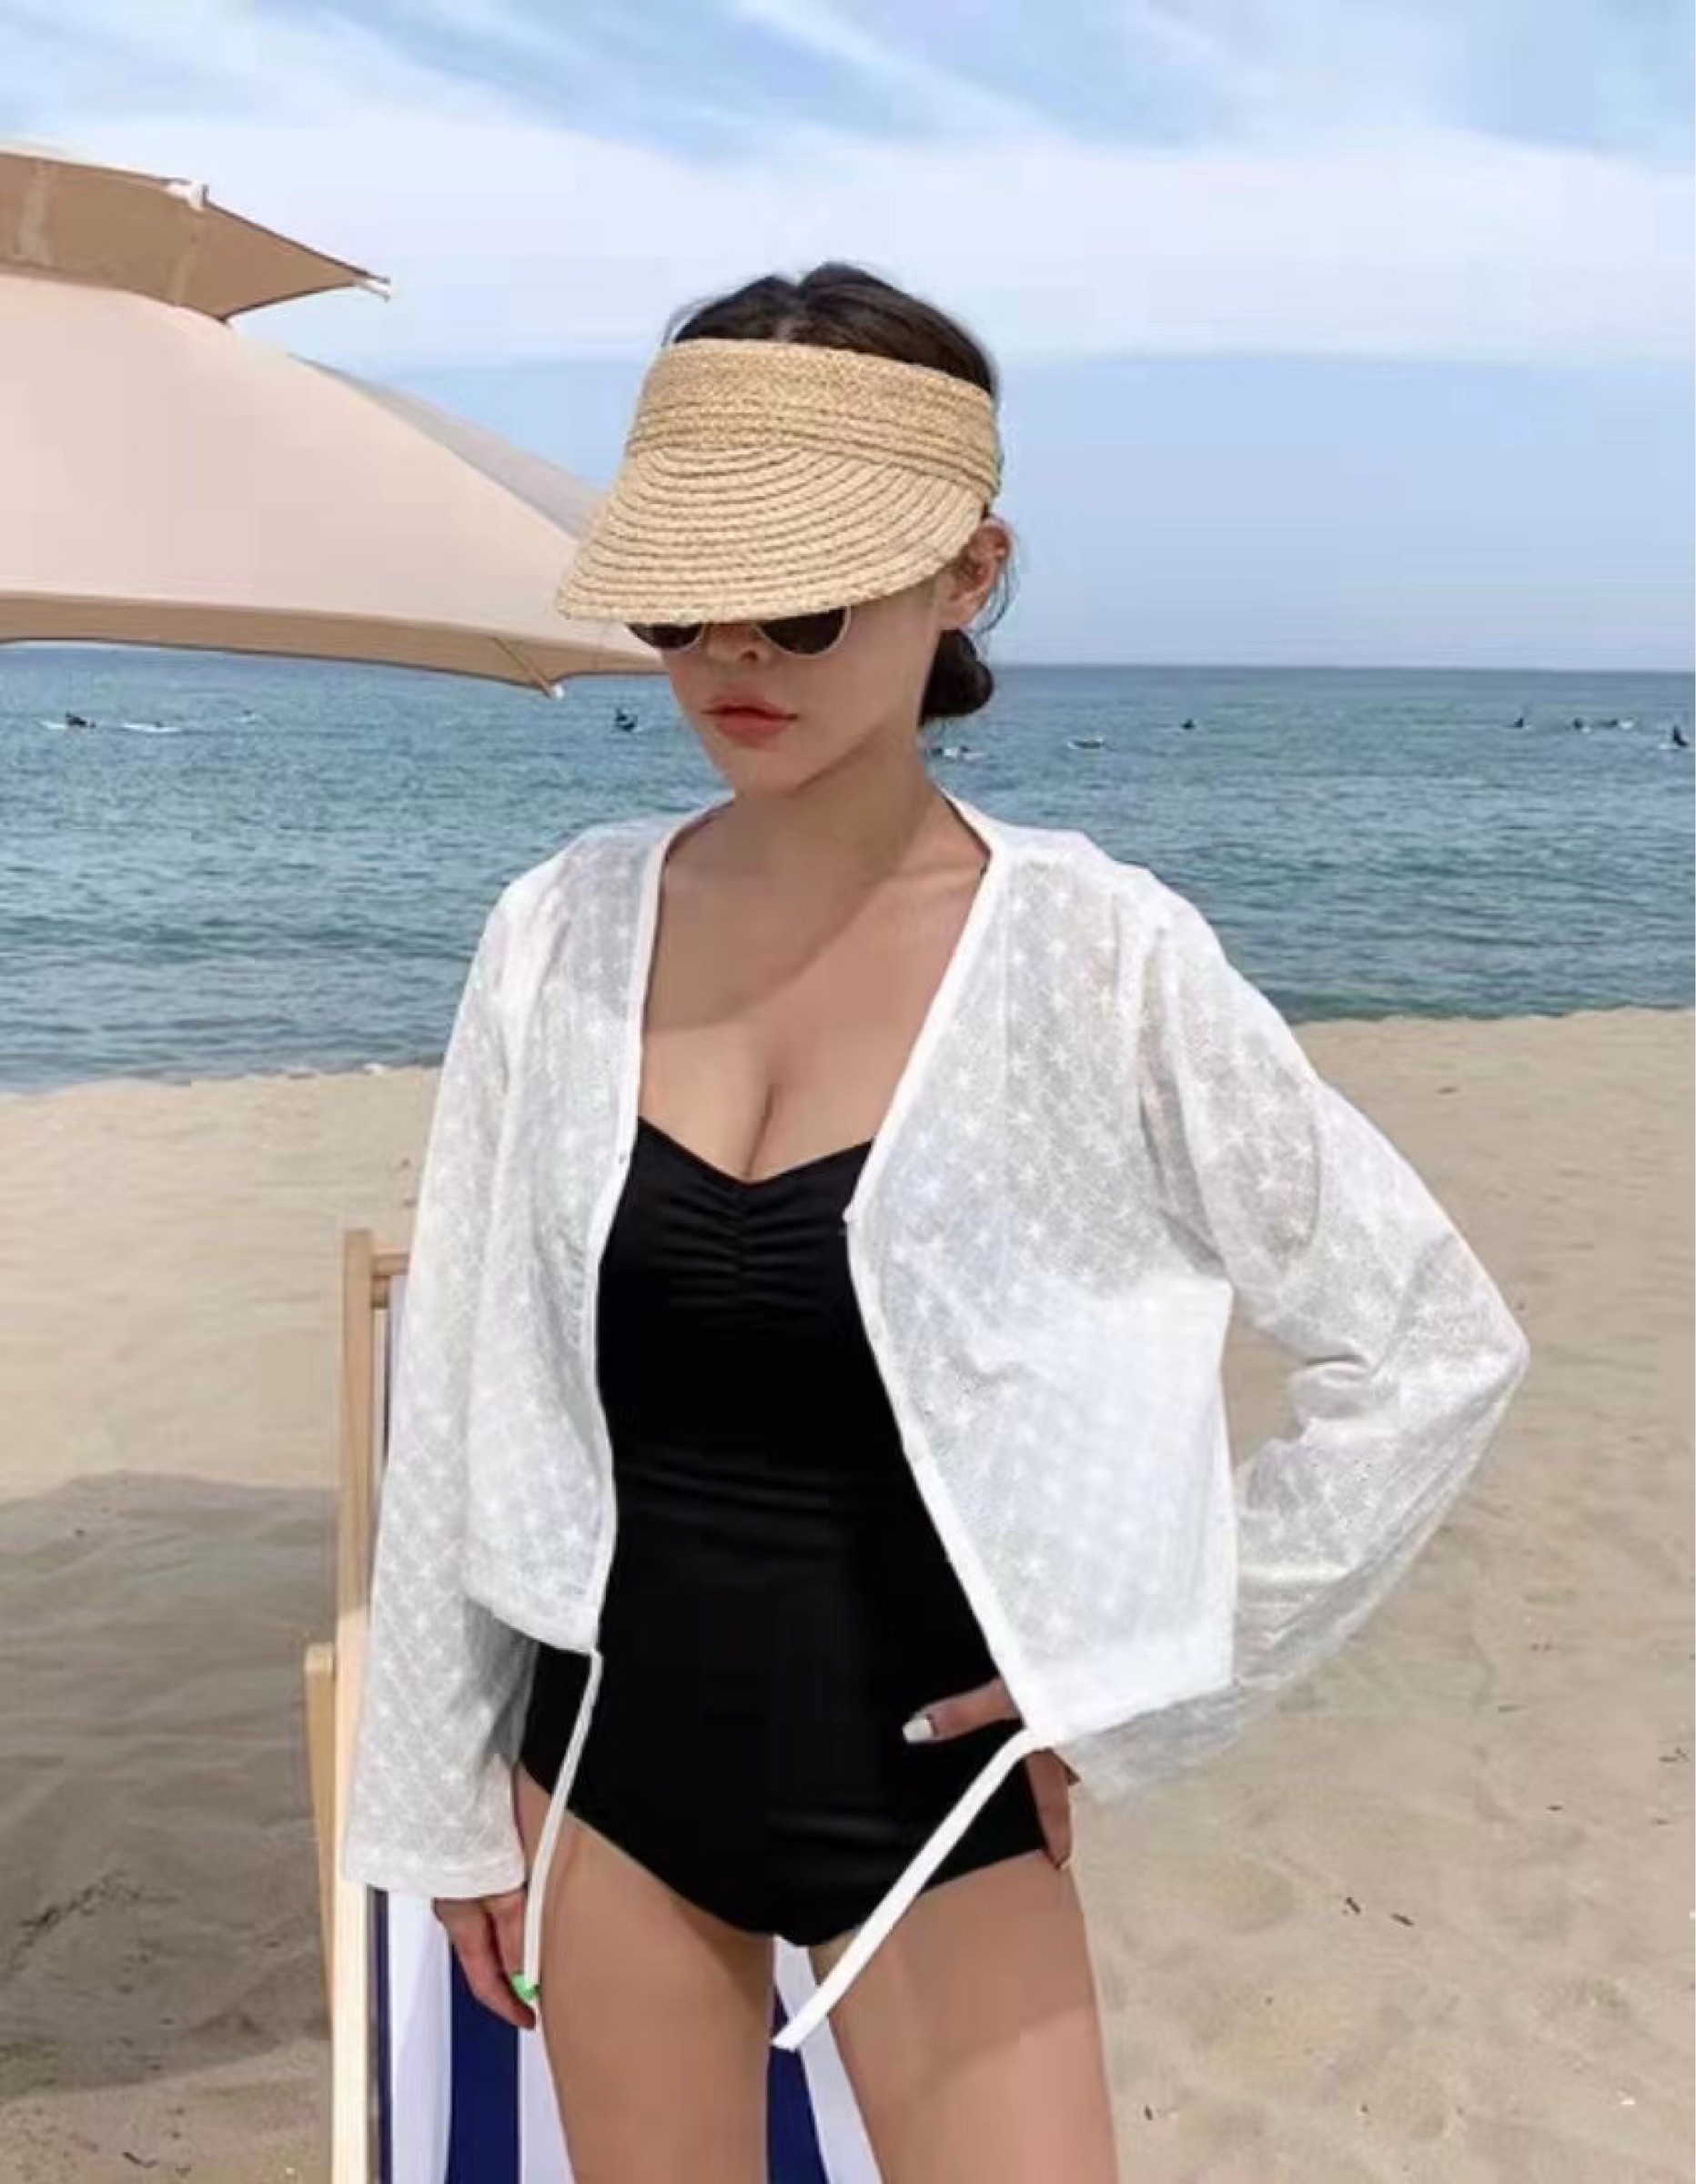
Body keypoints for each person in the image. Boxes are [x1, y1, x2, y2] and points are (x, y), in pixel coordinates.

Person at [340, 262, 1530, 2179]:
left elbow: (1426, 1345)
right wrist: (431, 1806)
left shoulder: (1099, 961)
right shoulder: (556, 933)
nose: (734, 654)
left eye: (804, 601)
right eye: (681, 604)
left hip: (928, 1801)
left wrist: (1122, 1671)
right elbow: (470, 1401)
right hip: (601, 1785)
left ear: (966, 575)